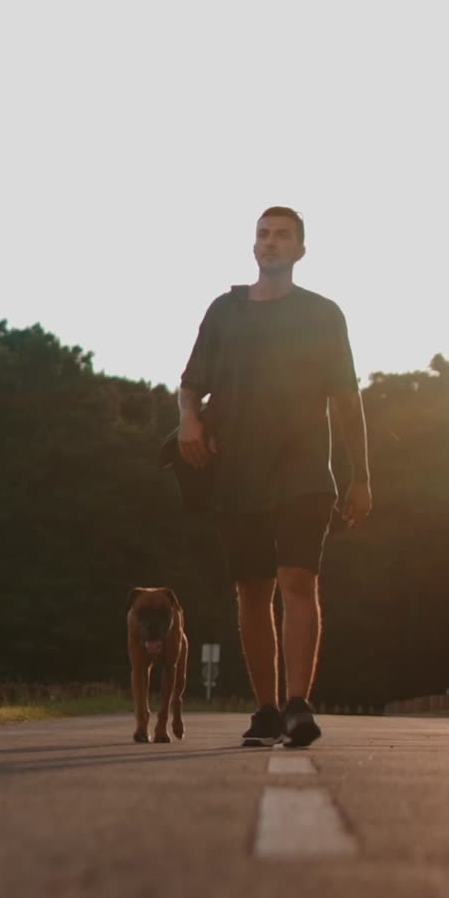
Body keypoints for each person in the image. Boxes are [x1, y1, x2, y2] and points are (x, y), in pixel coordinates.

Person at [177, 206, 371, 747]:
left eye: (282, 235)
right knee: (252, 590)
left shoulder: (323, 315)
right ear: (254, 246)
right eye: (263, 234)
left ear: (300, 250)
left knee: (297, 580)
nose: (270, 242)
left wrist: (361, 476)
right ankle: (265, 709)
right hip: (237, 470)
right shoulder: (225, 311)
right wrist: (188, 419)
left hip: (306, 469)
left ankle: (298, 704)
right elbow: (190, 383)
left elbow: (347, 401)